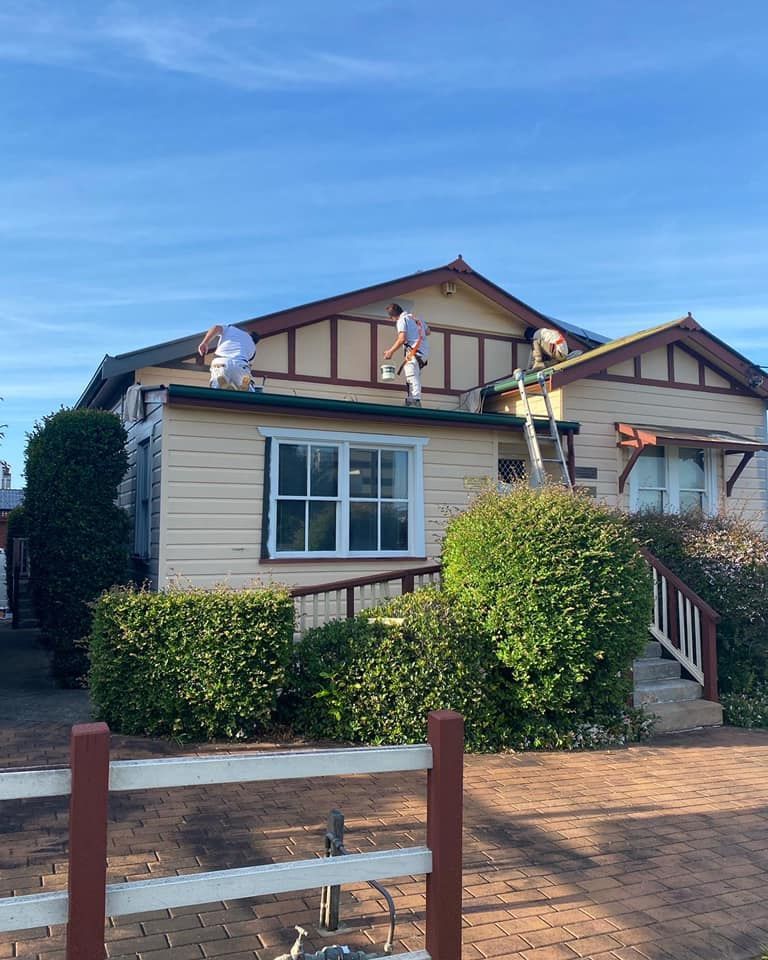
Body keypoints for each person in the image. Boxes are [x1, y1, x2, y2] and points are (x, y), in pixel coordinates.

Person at [383, 303, 430, 407]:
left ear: (393, 316)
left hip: (414, 352)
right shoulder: (415, 318)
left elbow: (402, 339)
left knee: (411, 376)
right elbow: (428, 332)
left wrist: (390, 352)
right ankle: (410, 399)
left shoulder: (401, 320)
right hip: (423, 353)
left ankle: (415, 401)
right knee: (413, 376)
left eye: (391, 318)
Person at [198, 324, 261, 391]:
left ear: (249, 333)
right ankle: (245, 387)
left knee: (216, 391)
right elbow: (249, 366)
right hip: (241, 364)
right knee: (248, 392)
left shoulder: (230, 329)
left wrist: (205, 342)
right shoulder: (253, 347)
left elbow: (216, 327)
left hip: (221, 362)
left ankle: (222, 386)